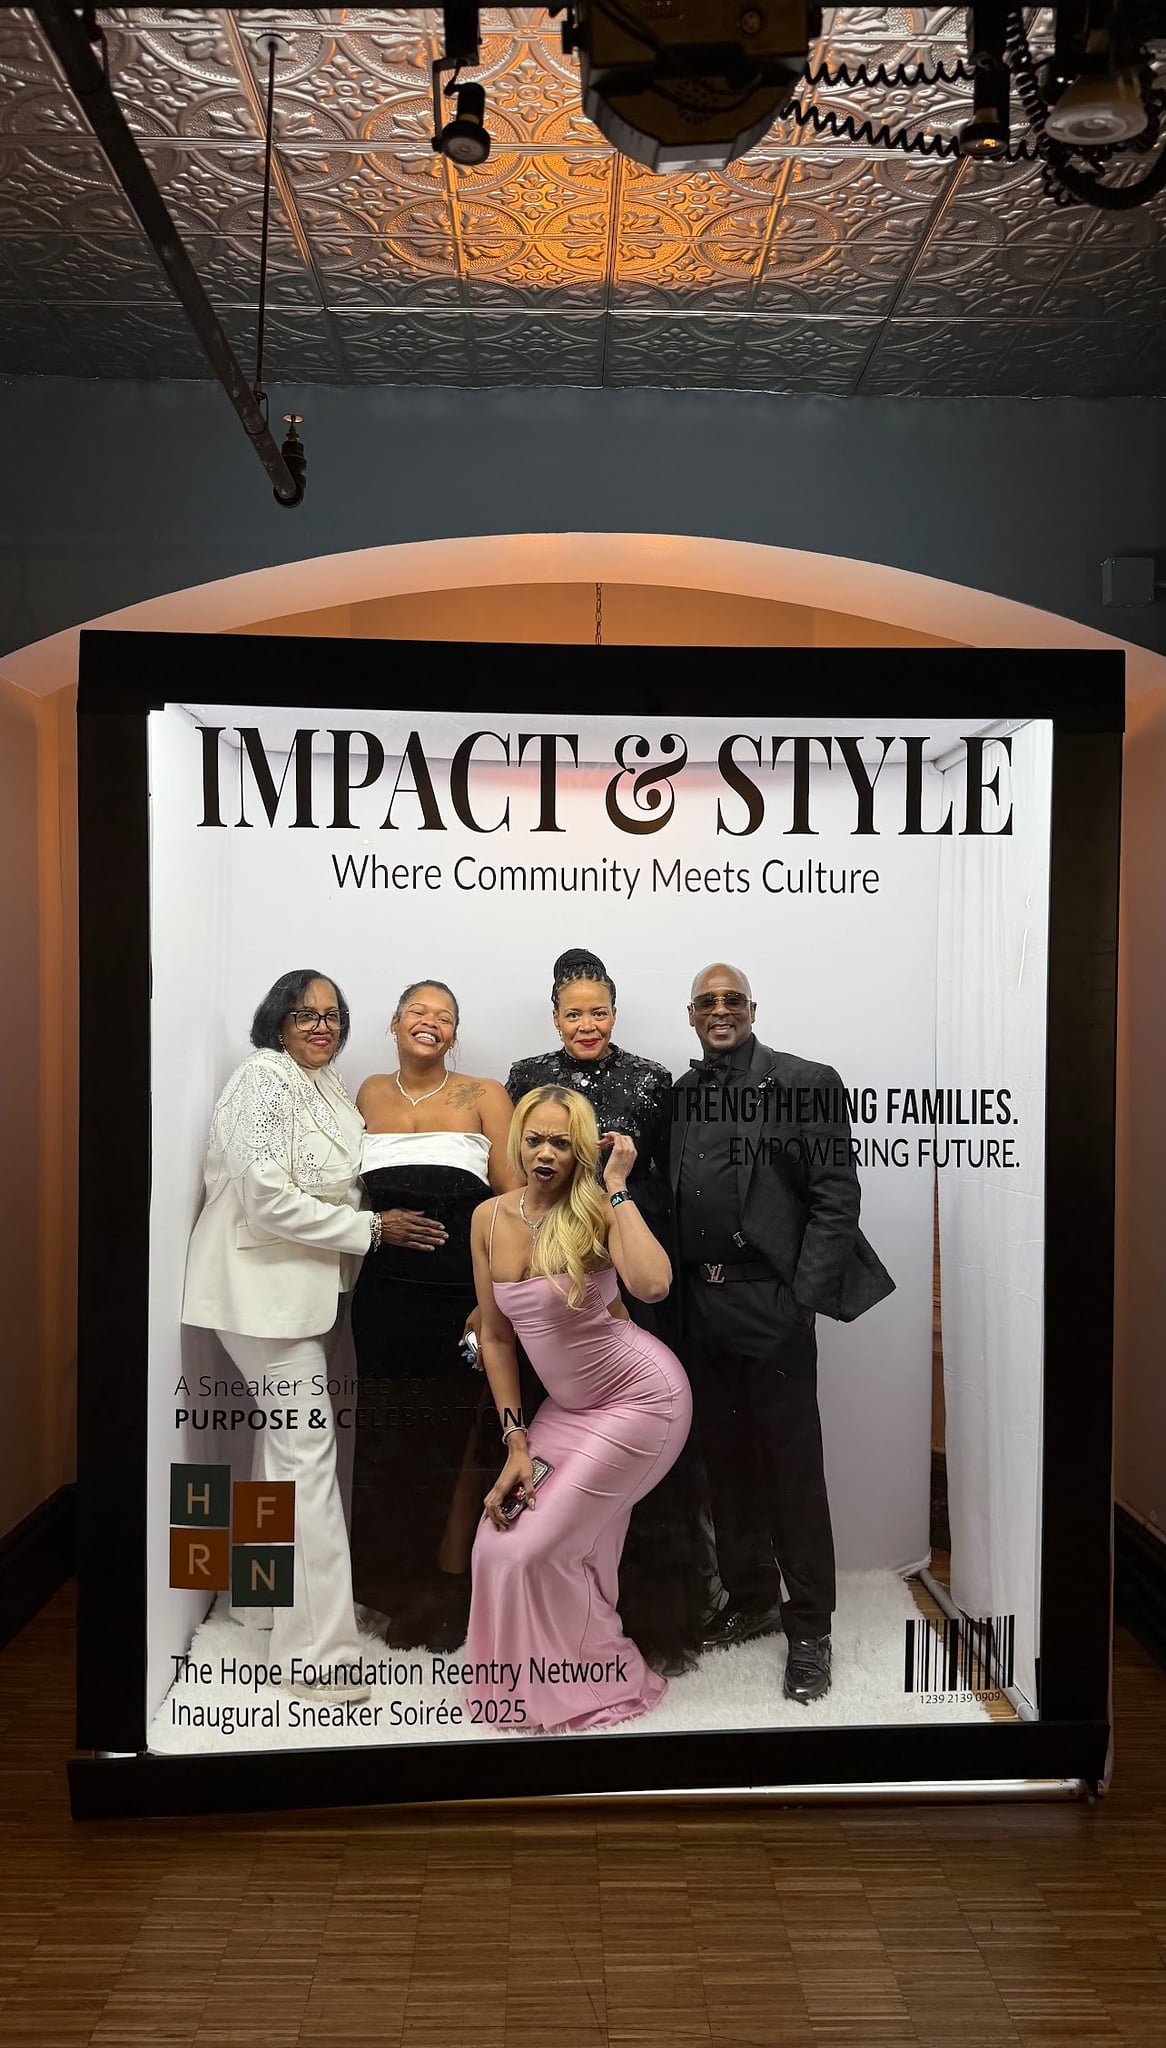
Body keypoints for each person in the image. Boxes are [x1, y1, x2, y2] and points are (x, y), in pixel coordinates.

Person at [670, 963, 895, 1705]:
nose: (721, 1010)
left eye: (733, 999)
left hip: (771, 1305)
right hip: (697, 1309)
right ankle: (751, 1597)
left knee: (791, 1476)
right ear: (693, 1015)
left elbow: (838, 1198)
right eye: (708, 1002)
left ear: (753, 1008)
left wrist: (802, 1298)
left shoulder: (806, 1079)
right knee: (723, 1465)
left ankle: (810, 1630)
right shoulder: (683, 1092)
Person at [505, 948, 718, 1672]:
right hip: (558, 1286)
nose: (587, 1023)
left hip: (628, 1274)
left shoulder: (652, 1080)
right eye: (574, 1012)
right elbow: (519, 1188)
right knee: (563, 1439)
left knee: (639, 1444)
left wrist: (619, 1183)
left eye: (599, 1011)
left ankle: (652, 1616)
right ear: (555, 1015)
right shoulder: (528, 1079)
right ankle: (554, 1613)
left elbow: (665, 1190)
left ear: (614, 1014)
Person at [464, 1087, 692, 1733]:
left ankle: (600, 1681)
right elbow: (497, 1336)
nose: (544, 1152)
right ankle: (531, 1684)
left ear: (579, 1151)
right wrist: (515, 1444)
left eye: (561, 1142)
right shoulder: (487, 1219)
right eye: (534, 1138)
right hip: (565, 1413)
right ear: (516, 1142)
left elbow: (651, 1285)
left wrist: (615, 1185)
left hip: (641, 1400)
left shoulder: (594, 1209)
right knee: (497, 1543)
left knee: (536, 1550)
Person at [182, 970, 380, 1700]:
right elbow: (264, 1199)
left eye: (332, 1015)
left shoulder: (325, 1084)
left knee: (283, 1450)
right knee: (308, 1463)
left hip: (302, 1296)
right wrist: (371, 1231)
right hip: (256, 1294)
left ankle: (263, 1604)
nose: (321, 1026)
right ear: (277, 1021)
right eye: (305, 1014)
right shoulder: (262, 1078)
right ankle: (317, 1660)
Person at [349, 980, 520, 1651]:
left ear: (455, 1033)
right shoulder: (364, 1093)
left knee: (458, 1447)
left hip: (462, 1300)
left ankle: (451, 1593)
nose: (431, 1022)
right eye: (418, 1011)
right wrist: (371, 1224)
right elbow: (336, 1186)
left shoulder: (484, 1095)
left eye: (444, 1016)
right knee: (389, 1443)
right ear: (393, 1023)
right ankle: (393, 1590)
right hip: (384, 1299)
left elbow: (512, 1200)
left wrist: (491, 1298)